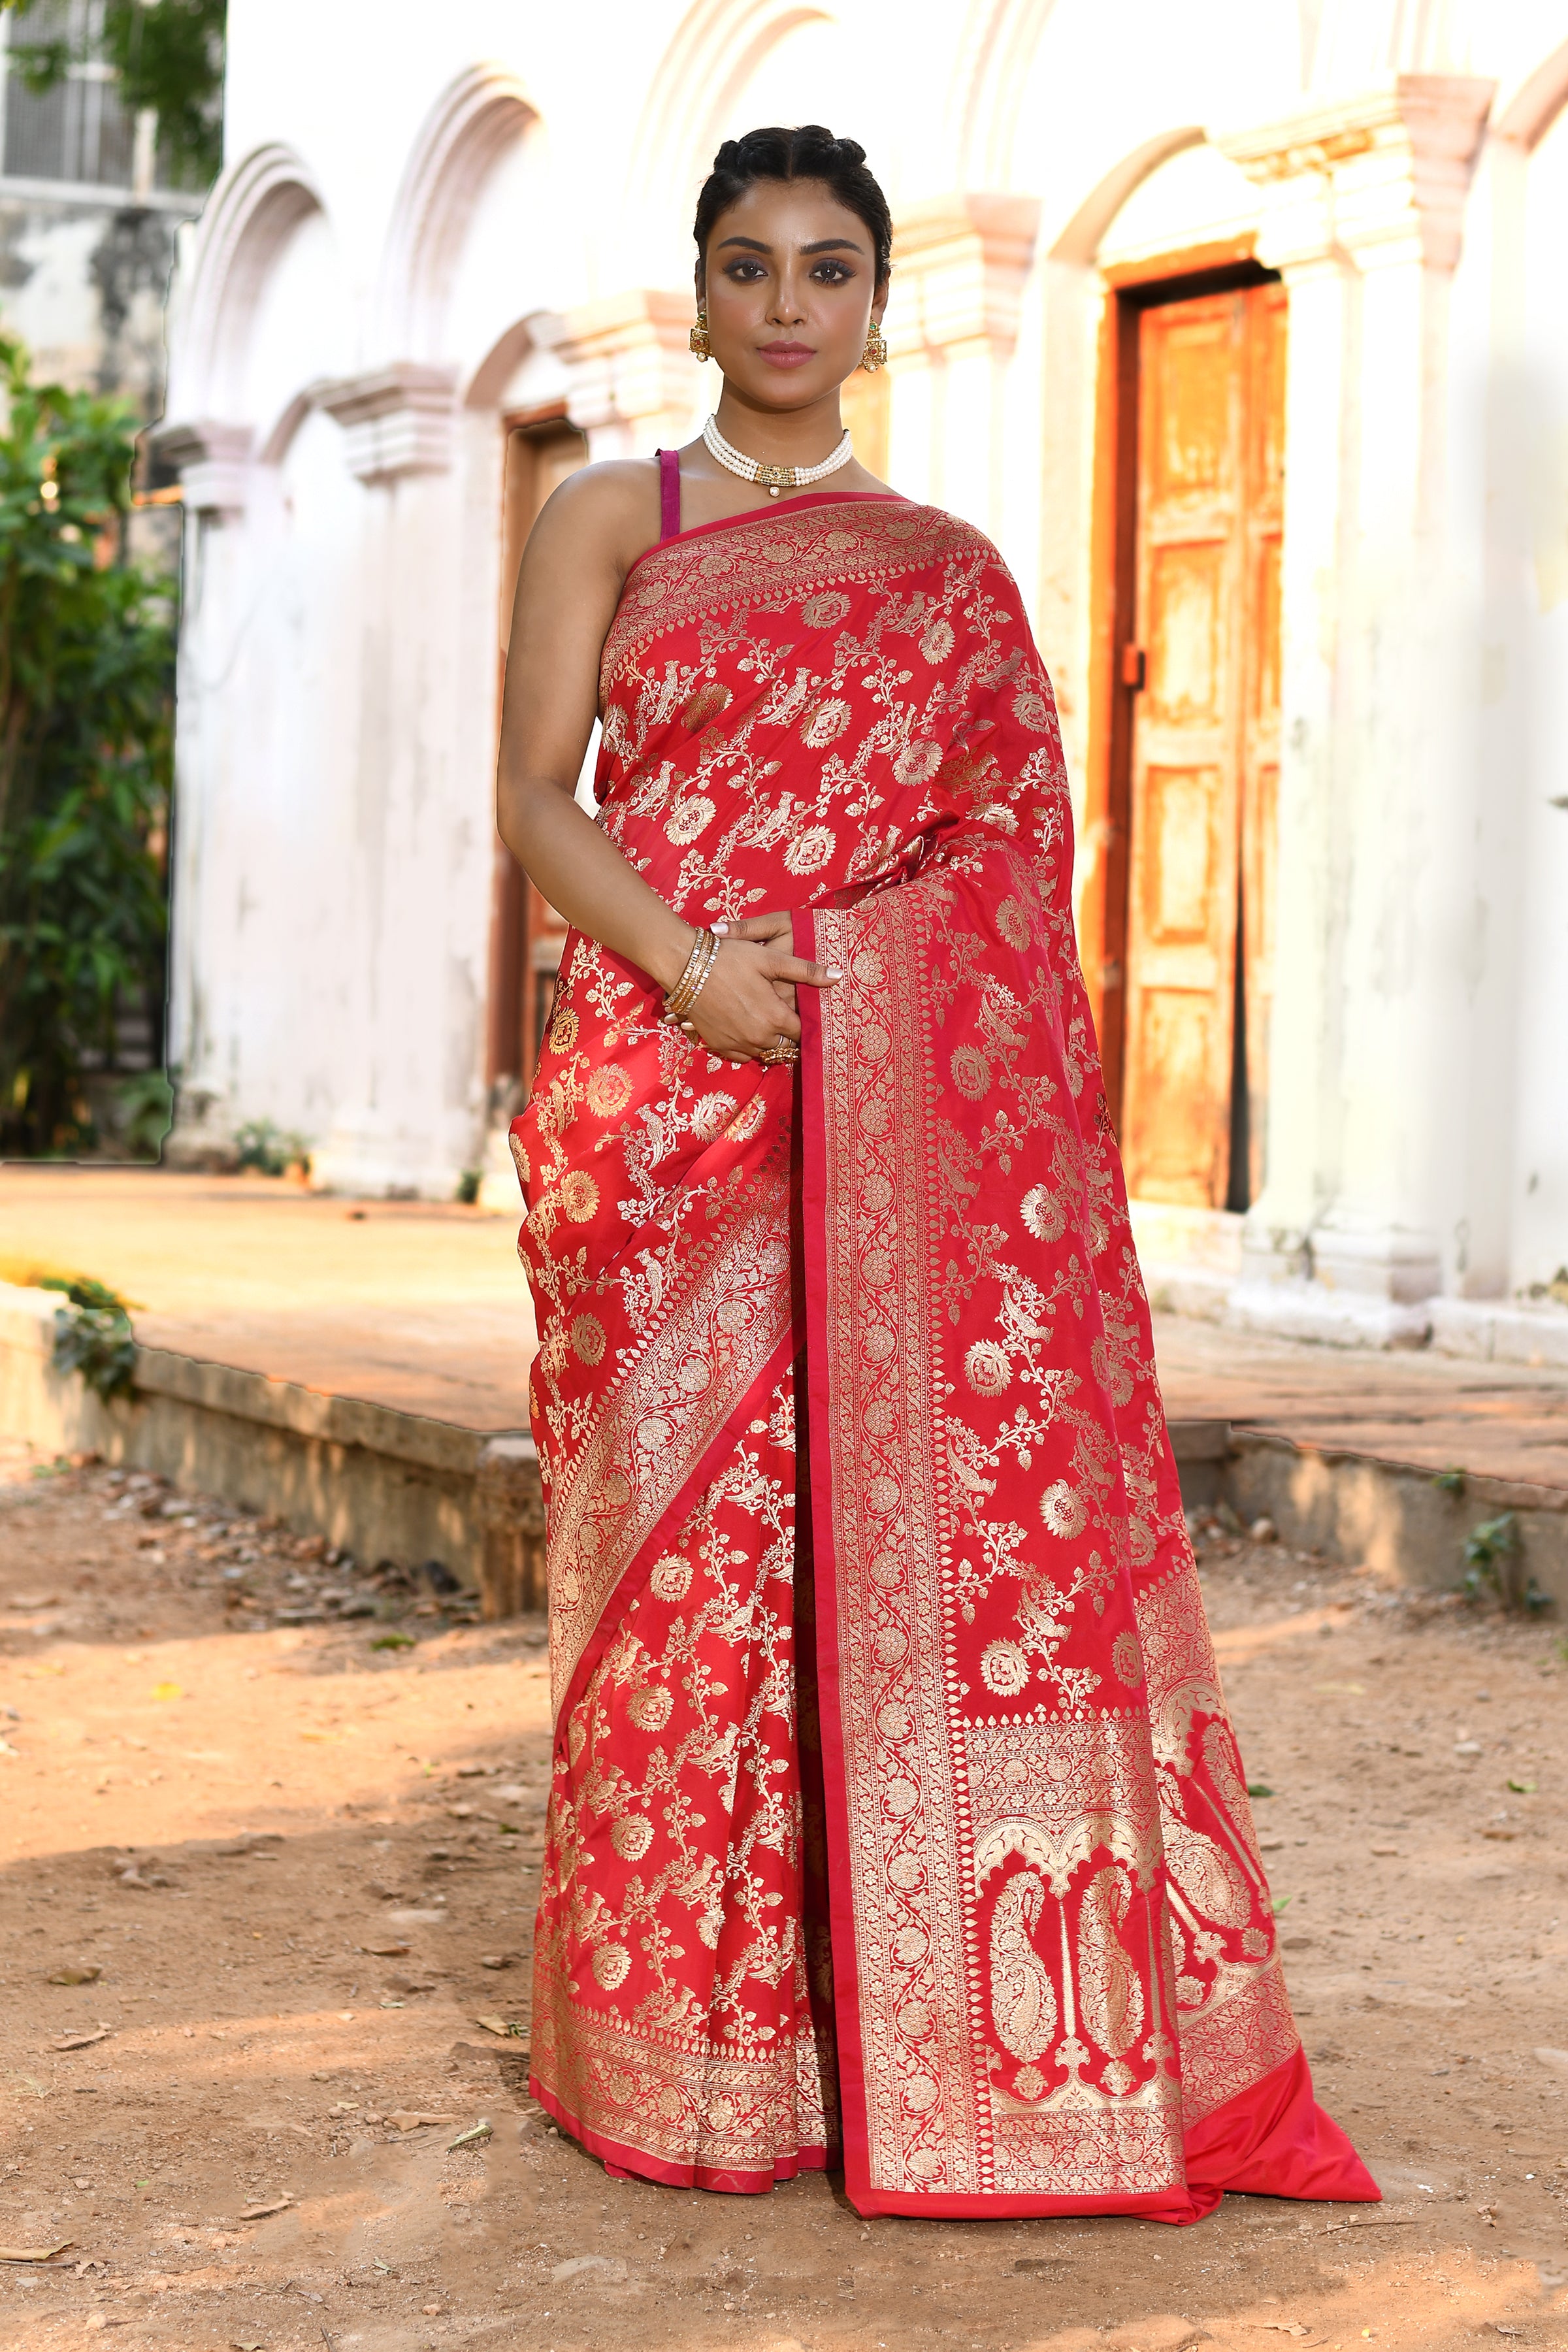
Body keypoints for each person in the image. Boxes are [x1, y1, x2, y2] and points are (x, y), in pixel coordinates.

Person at [495, 122, 1377, 2223]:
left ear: (880, 302)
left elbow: (1003, 855)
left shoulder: (948, 572)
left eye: (826, 268)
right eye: (746, 266)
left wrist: (854, 1004)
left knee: (878, 1559)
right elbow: (537, 800)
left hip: (899, 1123)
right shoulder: (616, 514)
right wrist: (699, 972)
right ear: (699, 293)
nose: (786, 304)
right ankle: (696, 2051)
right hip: (667, 1099)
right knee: (697, 1582)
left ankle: (910, 2031)